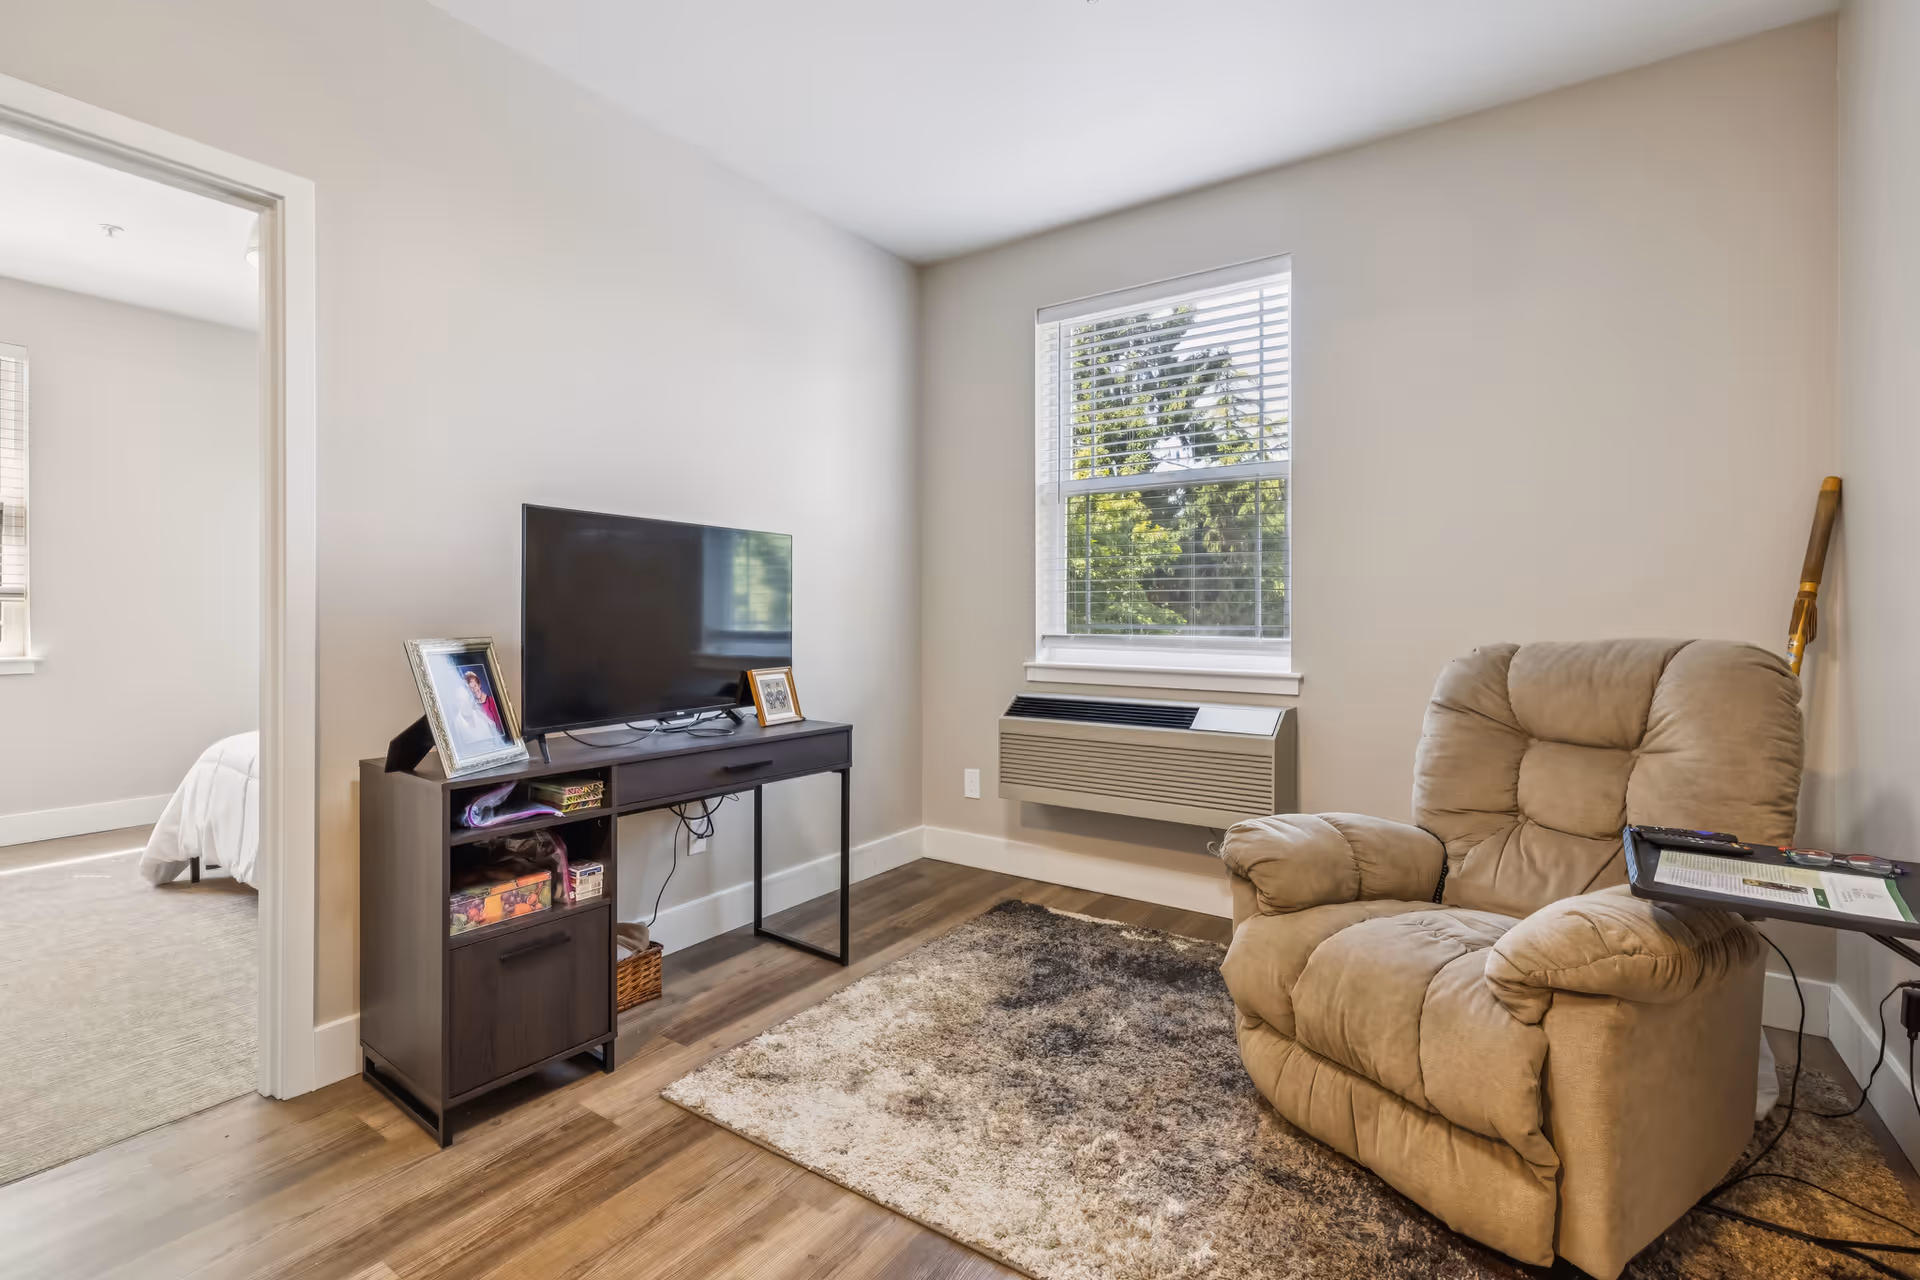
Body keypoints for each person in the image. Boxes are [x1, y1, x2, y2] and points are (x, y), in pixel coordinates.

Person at [448, 664, 506, 749]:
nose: (474, 690)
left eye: (475, 686)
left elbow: (498, 726)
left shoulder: (493, 701)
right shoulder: (472, 709)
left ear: (479, 685)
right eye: (471, 688)